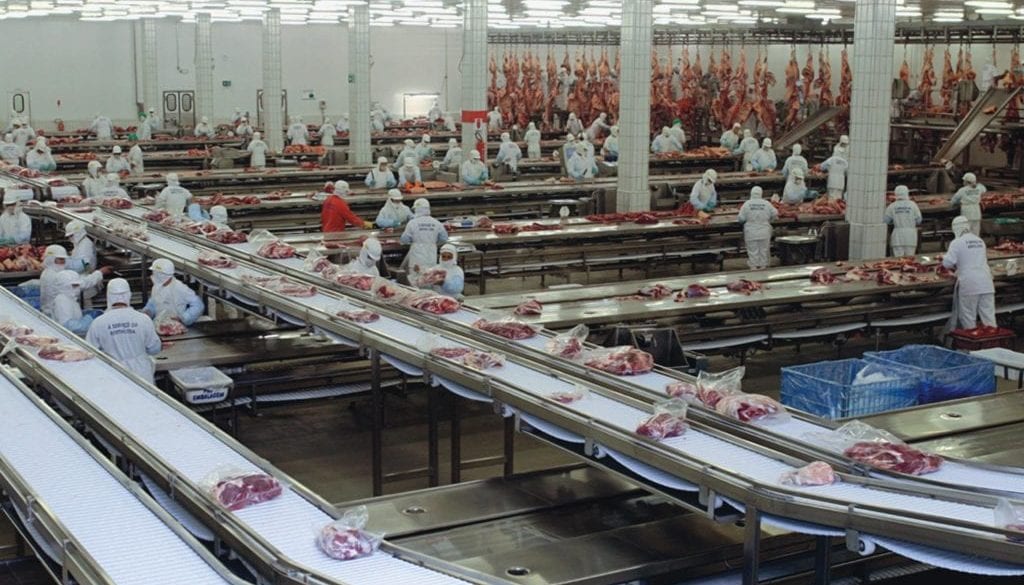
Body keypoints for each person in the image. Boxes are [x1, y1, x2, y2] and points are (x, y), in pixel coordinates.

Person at [87, 278, 162, 384]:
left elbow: (89, 351)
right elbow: (154, 348)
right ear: (129, 295)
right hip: (141, 373)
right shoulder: (143, 319)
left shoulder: (98, 323)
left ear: (109, 296)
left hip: (113, 374)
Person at [943, 216, 996, 330]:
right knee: (989, 317)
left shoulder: (956, 242)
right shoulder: (980, 241)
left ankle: (972, 339)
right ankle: (993, 339)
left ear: (955, 229)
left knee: (968, 317)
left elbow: (947, 263)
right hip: (986, 283)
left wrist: (944, 259)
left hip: (969, 284)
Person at [143, 258, 205, 326]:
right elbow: (153, 303)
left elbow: (198, 305)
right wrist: (148, 311)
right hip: (159, 324)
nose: (153, 276)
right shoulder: (156, 286)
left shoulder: (180, 288)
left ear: (163, 275)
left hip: (175, 326)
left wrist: (184, 318)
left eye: (156, 274)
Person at [400, 198, 448, 281]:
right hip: (431, 256)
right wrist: (432, 242)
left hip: (416, 257)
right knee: (429, 279)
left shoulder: (412, 223)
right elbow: (444, 238)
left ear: (417, 209)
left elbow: (404, 240)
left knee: (415, 280)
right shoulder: (436, 223)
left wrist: (414, 240)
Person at [64, 219, 108, 307]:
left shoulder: (85, 245)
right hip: (84, 280)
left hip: (86, 280)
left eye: (71, 236)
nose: (70, 238)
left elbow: (83, 265)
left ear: (78, 233)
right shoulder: (80, 243)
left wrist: (66, 264)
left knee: (86, 305)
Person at [737, 186, 779, 270]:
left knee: (752, 251)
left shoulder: (747, 204)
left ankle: (754, 268)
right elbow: (775, 213)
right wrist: (769, 219)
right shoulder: (766, 203)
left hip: (751, 232)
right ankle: (763, 267)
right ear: (761, 193)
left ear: (751, 193)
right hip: (764, 231)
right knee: (764, 250)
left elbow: (741, 218)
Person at [52, 271, 97, 336]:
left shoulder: (70, 298)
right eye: (74, 285)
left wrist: (84, 314)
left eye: (78, 285)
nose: (77, 288)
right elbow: (68, 326)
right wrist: (88, 319)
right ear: (64, 286)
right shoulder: (62, 300)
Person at [884, 185, 923, 257]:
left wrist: (895, 220)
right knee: (910, 259)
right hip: (910, 236)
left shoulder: (892, 206)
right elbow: (919, 220)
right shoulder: (913, 205)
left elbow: (886, 221)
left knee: (897, 260)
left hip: (897, 237)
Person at [40, 245, 69, 316]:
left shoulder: (47, 272)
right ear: (51, 259)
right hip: (56, 313)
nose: (63, 262)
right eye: (60, 259)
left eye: (64, 259)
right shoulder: (56, 275)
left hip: (49, 311)